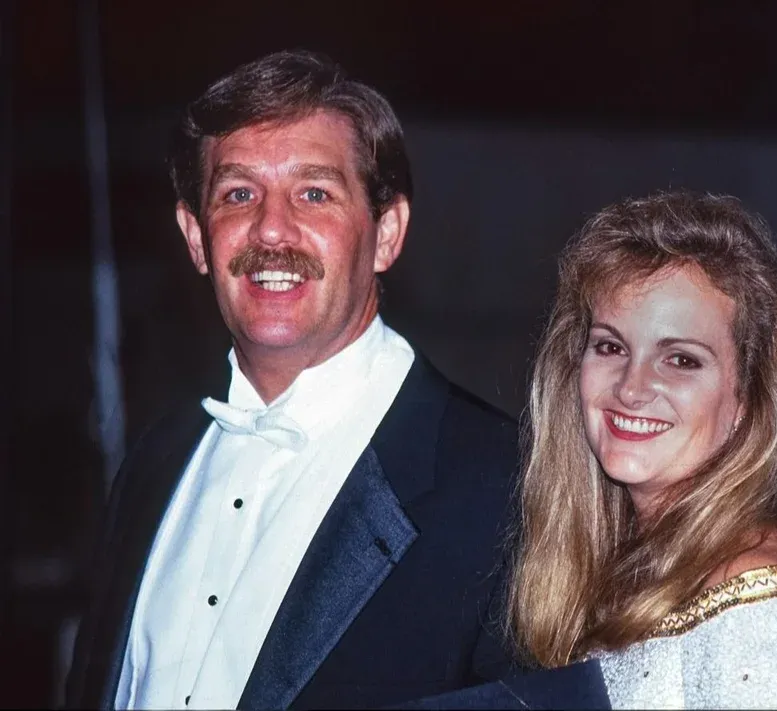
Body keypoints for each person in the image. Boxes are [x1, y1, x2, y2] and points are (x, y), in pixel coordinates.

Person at [65, 49, 519, 710]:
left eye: (314, 193)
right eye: (238, 194)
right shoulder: (153, 464)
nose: (272, 229)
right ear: (195, 237)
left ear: (387, 232)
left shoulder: (504, 488)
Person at [506, 190, 777, 708]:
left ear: (749, 396)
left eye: (681, 360)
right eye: (611, 347)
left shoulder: (763, 607)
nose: (631, 388)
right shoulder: (633, 562)